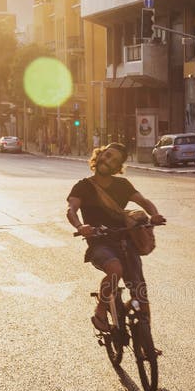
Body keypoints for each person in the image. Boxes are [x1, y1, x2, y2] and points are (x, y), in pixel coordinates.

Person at [66, 142, 165, 332]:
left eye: (114, 160)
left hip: (126, 242)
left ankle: (147, 343)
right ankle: (101, 311)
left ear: (117, 168)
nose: (108, 160)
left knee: (140, 294)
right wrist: (81, 226)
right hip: (100, 244)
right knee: (115, 269)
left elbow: (143, 201)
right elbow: (71, 209)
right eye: (107, 155)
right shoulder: (83, 186)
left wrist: (154, 215)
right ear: (99, 155)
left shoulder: (122, 185)